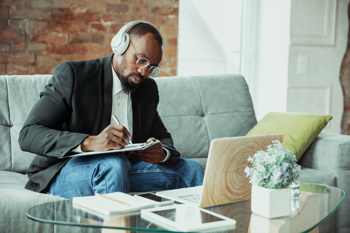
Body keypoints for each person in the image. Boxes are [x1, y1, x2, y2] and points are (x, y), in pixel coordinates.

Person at [18, 20, 204, 199]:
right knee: (114, 165)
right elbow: (29, 133)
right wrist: (90, 142)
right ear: (120, 46)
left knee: (191, 170)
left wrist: (161, 153)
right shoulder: (74, 76)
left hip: (123, 168)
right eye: (141, 60)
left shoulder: (147, 89)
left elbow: (162, 135)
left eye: (152, 67)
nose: (144, 72)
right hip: (64, 171)